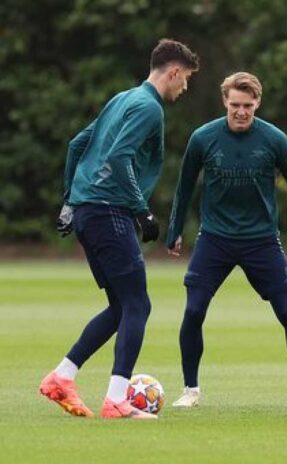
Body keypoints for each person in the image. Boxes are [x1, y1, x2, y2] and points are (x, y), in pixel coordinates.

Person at [40, 39, 199, 420]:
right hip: (110, 212)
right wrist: (142, 211)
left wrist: (69, 200)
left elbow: (78, 144)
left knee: (121, 306)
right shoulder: (149, 108)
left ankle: (62, 376)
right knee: (138, 304)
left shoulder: (122, 99)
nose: (185, 88)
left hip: (87, 212)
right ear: (174, 72)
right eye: (187, 79)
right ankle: (116, 401)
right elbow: (118, 156)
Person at [166, 72, 287, 409]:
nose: (241, 112)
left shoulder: (275, 139)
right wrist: (174, 230)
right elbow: (184, 186)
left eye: (247, 105)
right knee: (194, 310)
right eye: (235, 105)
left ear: (257, 103)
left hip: (261, 241)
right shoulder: (203, 138)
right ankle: (190, 390)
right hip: (214, 238)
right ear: (224, 102)